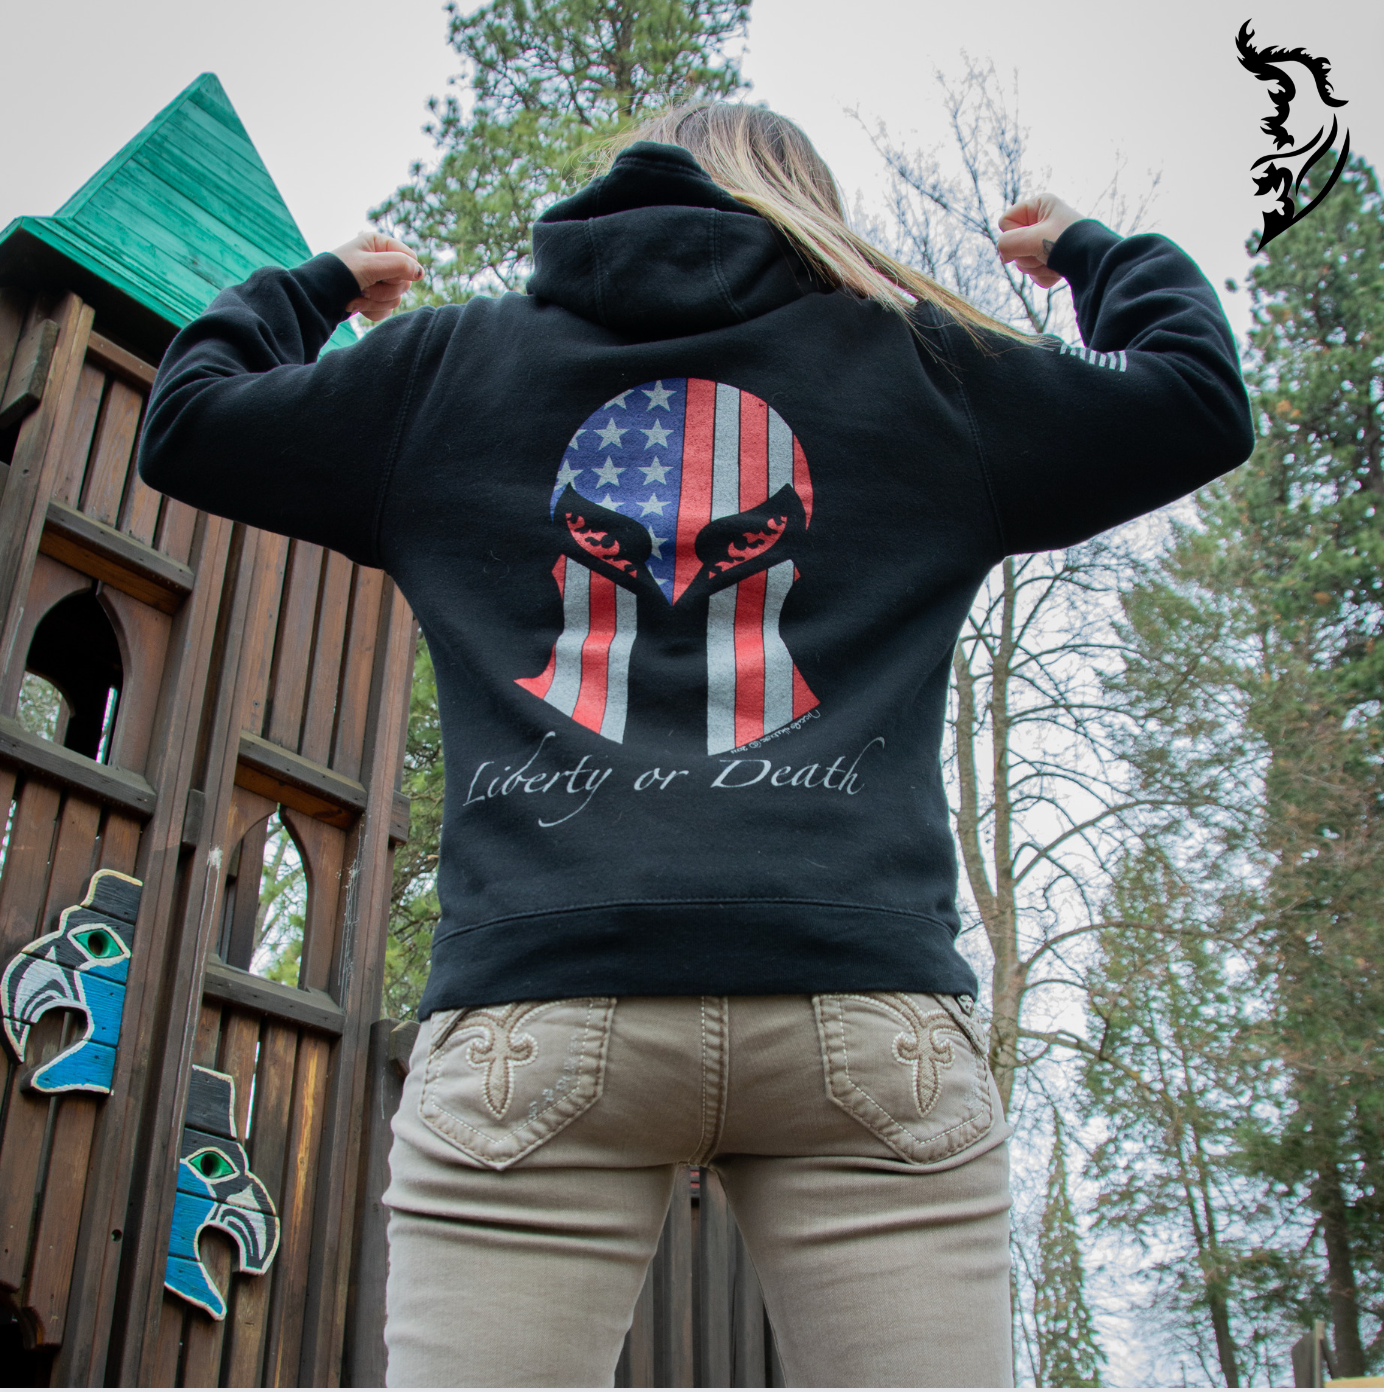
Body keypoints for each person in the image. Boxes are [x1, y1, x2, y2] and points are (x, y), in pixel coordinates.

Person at [139, 102, 1253, 1387]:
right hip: (862, 1005)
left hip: (536, 1009)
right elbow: (1194, 398)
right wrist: (1094, 256)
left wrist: (322, 283)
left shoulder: (443, 370)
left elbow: (192, 419)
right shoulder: (928, 369)